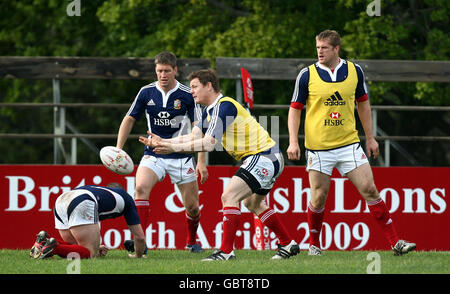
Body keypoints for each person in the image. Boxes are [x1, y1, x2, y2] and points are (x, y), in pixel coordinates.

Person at [139, 69, 299, 261]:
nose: (191, 92)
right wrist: (165, 142)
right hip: (268, 158)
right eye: (190, 88)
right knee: (252, 203)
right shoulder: (209, 111)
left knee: (229, 196)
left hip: (263, 156)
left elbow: (208, 144)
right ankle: (288, 243)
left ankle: (225, 251)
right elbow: (193, 137)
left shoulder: (224, 106)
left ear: (209, 86)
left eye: (195, 87)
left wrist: (170, 147)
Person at [287, 29, 416, 256]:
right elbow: (295, 110)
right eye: (317, 47)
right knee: (318, 198)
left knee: (370, 189)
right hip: (318, 148)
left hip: (349, 144)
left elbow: (363, 104)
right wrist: (292, 142)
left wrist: (371, 137)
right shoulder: (306, 75)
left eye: (324, 48)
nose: (319, 52)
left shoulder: (355, 71)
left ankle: (396, 243)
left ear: (337, 48)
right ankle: (314, 245)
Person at [116, 51, 208, 253]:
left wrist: (201, 161)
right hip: (154, 153)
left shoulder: (187, 94)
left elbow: (200, 129)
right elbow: (129, 118)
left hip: (182, 156)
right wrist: (118, 149)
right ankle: (140, 242)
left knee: (192, 207)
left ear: (175, 70)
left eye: (167, 71)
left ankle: (192, 241)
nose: (163, 75)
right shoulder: (146, 92)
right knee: (140, 188)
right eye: (159, 71)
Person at [29, 183, 146, 259]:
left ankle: (44, 242)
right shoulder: (126, 198)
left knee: (74, 249)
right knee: (91, 254)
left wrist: (96, 246)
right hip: (82, 200)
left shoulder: (100, 190)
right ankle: (54, 248)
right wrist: (138, 255)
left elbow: (76, 245)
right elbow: (140, 237)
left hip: (61, 199)